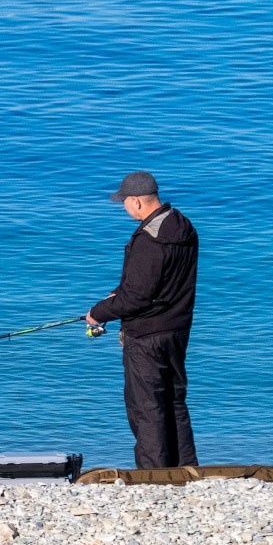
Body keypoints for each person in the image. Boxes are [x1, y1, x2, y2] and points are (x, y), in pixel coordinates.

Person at [85, 171, 199, 469]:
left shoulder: (149, 240)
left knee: (146, 408)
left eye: (124, 202)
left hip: (146, 336)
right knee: (174, 402)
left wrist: (99, 312)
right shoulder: (183, 226)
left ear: (136, 201)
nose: (123, 207)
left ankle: (154, 476)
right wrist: (118, 295)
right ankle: (187, 469)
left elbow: (137, 297)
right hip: (175, 330)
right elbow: (156, 283)